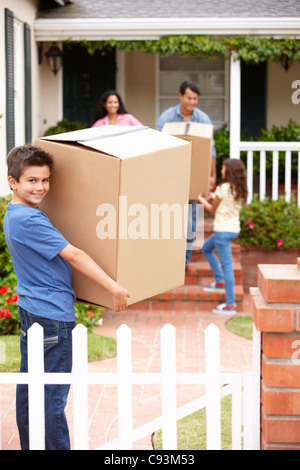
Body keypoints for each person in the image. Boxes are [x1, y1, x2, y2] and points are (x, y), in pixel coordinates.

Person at [3, 144, 130, 450]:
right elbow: (73, 255)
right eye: (32, 180)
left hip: (33, 311)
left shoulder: (16, 213)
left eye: (45, 180)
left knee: (32, 389)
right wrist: (114, 287)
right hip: (52, 317)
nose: (41, 187)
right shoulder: (29, 220)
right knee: (52, 396)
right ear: (13, 182)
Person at [156, 81, 217, 266]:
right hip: (172, 175)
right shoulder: (166, 117)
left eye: (196, 99)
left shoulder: (203, 119)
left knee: (191, 218)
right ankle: (169, 257)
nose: (192, 102)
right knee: (171, 216)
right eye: (189, 98)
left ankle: (184, 260)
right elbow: (158, 145)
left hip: (194, 176)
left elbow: (210, 150)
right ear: (180, 96)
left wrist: (212, 176)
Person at [198, 158, 247, 315]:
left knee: (227, 267)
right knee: (206, 248)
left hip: (222, 232)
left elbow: (212, 210)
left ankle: (230, 304)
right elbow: (224, 201)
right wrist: (214, 195)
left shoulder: (223, 188)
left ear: (229, 171)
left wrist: (200, 199)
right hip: (233, 230)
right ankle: (219, 280)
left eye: (223, 169)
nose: (221, 171)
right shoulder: (240, 189)